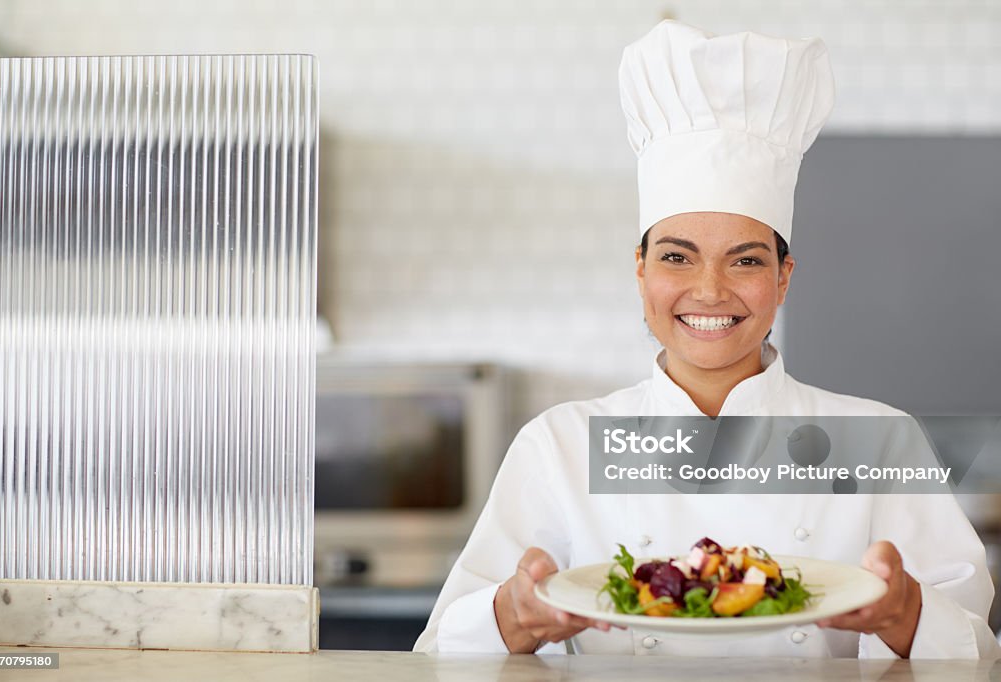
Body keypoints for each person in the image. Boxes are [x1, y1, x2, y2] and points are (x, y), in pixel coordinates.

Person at [413, 20, 999, 658]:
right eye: (677, 258)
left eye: (746, 261)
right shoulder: (562, 444)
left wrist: (907, 616)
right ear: (640, 271)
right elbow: (442, 651)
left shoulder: (880, 438)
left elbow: (976, 650)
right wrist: (512, 618)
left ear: (783, 278)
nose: (711, 291)